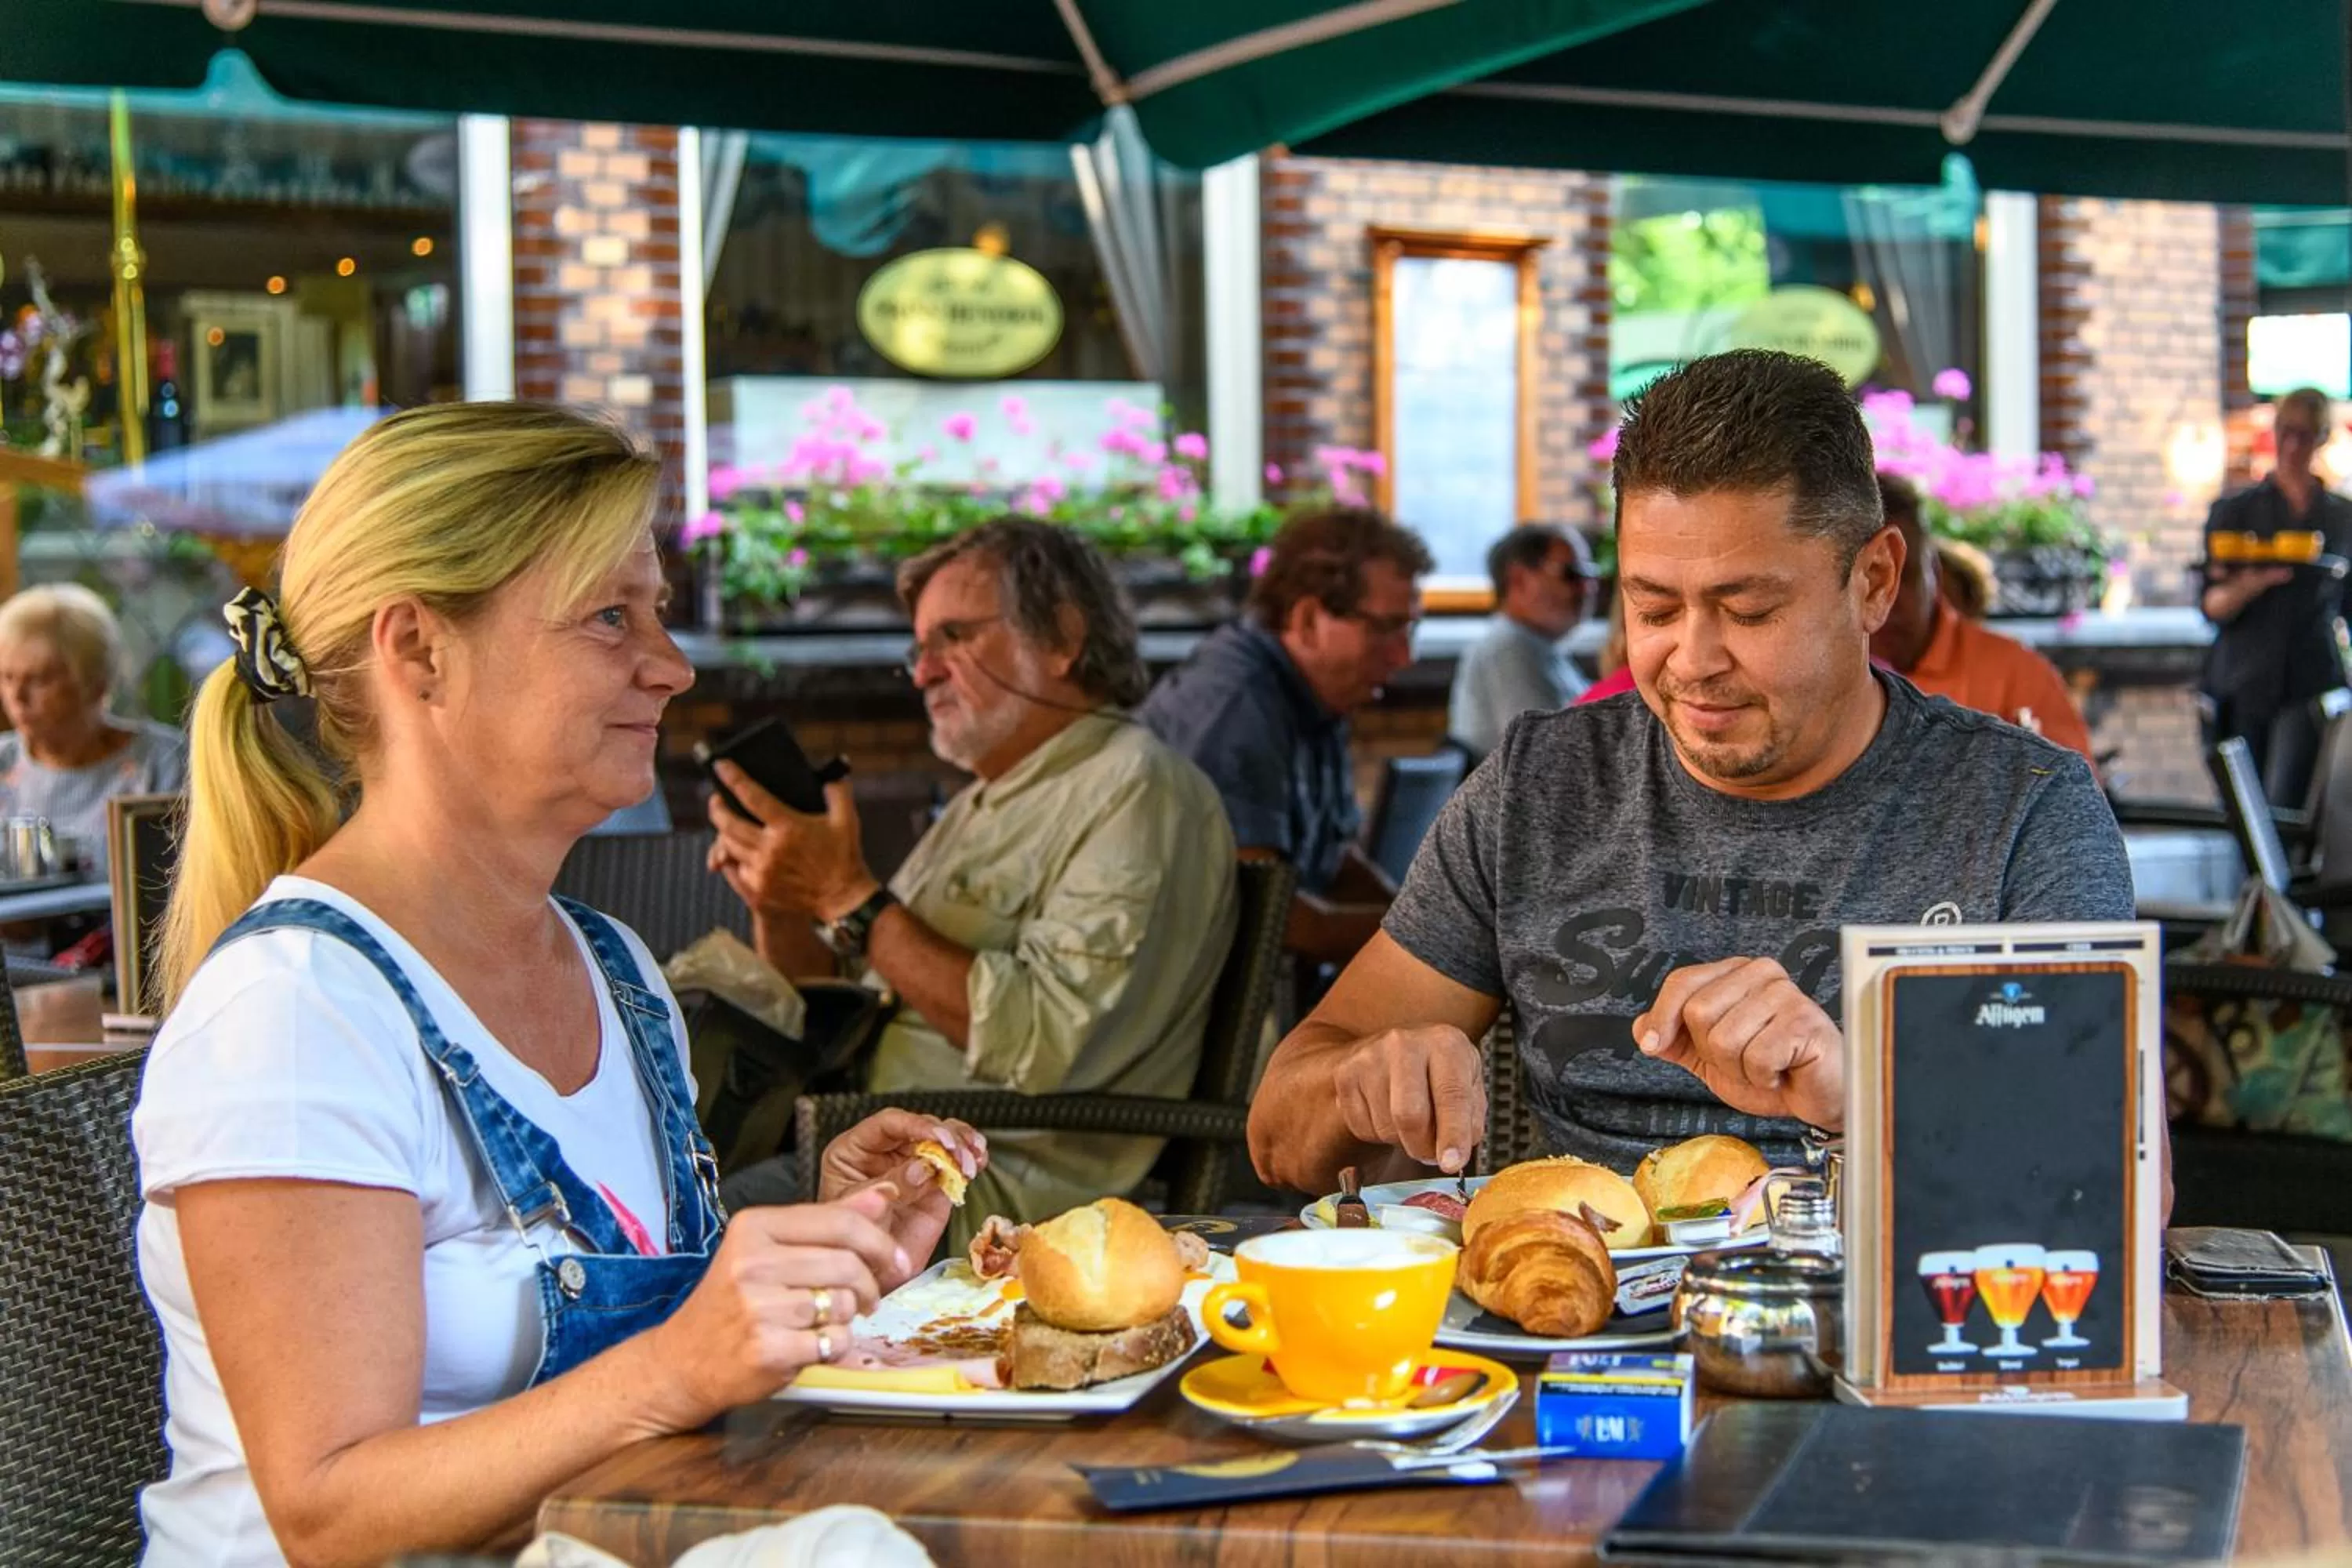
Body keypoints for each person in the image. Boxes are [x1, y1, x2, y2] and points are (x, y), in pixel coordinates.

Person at [133, 401, 988, 1567]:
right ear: (419, 650)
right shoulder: (295, 1013)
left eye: (659, 616)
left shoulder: (614, 970)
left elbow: (610, 1331)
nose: (672, 666)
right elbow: (326, 1510)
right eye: (607, 618)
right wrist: (680, 1366)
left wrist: (807, 1244)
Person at [1245, 350, 2142, 1197]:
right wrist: (1359, 1083)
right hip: (1572, 1323)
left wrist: (1858, 1097)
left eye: (1748, 609)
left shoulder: (2022, 811)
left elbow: (2118, 1183)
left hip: (1873, 1324)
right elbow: (1278, 1137)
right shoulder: (1541, 787)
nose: (1692, 658)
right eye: (1654, 606)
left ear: (1873, 582)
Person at [710, 518, 1235, 1242]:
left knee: (684, 1238)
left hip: (981, 1193)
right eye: (918, 649)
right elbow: (841, 1016)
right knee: (653, 1195)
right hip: (863, 1149)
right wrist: (785, 905)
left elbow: (1048, 1041)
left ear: (1061, 637)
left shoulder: (1136, 786)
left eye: (953, 638)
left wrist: (848, 895)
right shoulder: (989, 797)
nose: (923, 672)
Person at [1140, 507, 1433, 966]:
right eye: (1387, 627)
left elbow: (1334, 863)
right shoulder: (1235, 706)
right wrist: (1437, 942)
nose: (1404, 656)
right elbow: (1268, 917)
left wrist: (1428, 919)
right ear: (1309, 618)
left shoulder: (1314, 693)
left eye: (1411, 627)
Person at [1869, 474, 2096, 764]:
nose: (1888, 600)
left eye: (1905, 577)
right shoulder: (1821, 675)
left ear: (1935, 573)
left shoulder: (2017, 676)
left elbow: (2076, 802)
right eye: (1871, 579)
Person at [2200, 387, 2352, 806]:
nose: (2292, 445)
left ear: (2322, 438)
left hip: (2310, 676)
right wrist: (2258, 580)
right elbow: (2212, 605)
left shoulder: (2341, 517)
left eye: (2304, 434)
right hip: (2244, 677)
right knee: (2245, 810)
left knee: (2292, 802)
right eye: (2285, 431)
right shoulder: (2237, 512)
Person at [0, 582, 186, 874]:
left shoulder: (162, 763)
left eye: (39, 679)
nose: (17, 697)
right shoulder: (4, 762)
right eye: (7, 677)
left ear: (95, 684)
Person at [1449, 524, 1594, 757]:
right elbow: (1547, 753)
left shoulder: (1537, 647)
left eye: (1588, 576)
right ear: (1518, 580)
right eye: (1572, 575)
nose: (1586, 588)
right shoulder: (1509, 649)